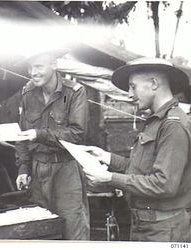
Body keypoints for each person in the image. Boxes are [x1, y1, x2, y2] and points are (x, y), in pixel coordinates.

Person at [81, 57, 191, 242]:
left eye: (133, 87)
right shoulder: (156, 122)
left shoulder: (173, 125)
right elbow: (141, 169)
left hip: (164, 231)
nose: (130, 94)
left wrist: (109, 178)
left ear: (154, 83)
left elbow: (163, 184)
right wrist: (107, 157)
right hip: (146, 227)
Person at [15, 49, 90, 240]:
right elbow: (22, 134)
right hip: (38, 171)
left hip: (66, 170)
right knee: (41, 232)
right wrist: (23, 168)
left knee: (73, 230)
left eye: (39, 66)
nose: (33, 72)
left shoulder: (74, 92)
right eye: (30, 67)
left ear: (54, 65)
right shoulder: (28, 93)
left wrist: (39, 134)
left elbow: (77, 133)